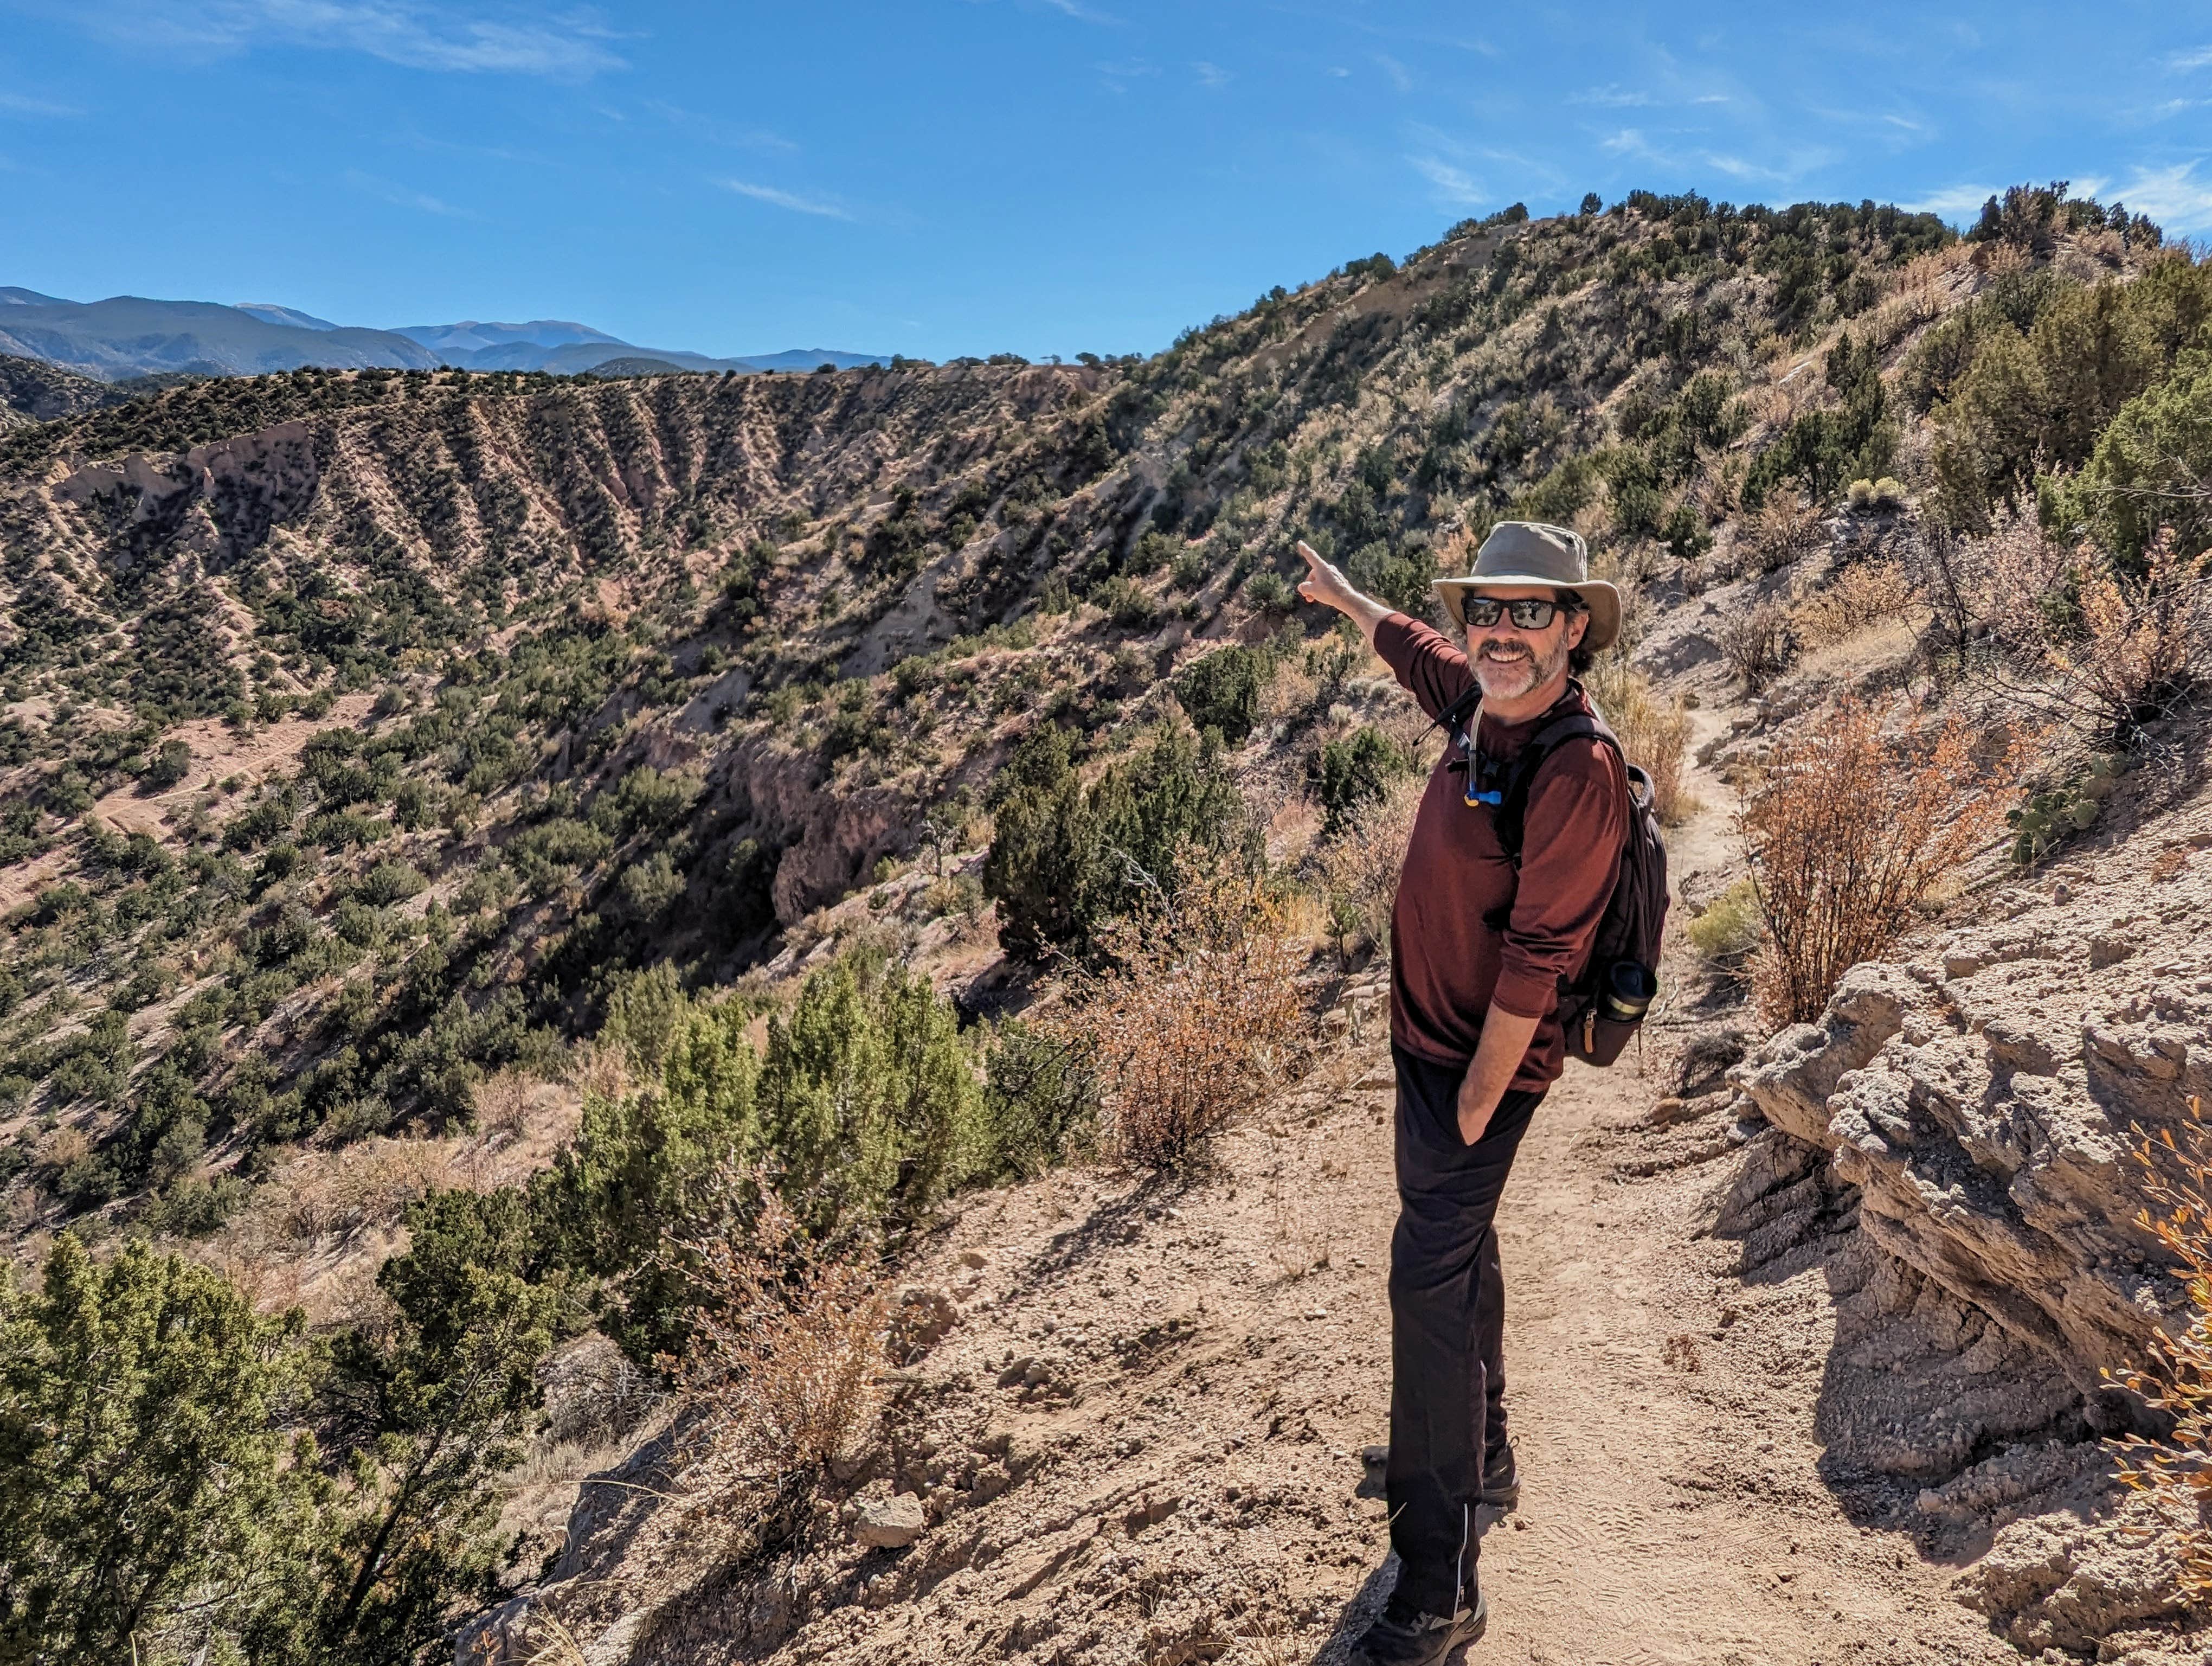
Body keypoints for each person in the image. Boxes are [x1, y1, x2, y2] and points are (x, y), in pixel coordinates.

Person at [1296, 522, 1630, 1664]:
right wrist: (1346, 599)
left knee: (1425, 1285)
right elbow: (1414, 653)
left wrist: (1480, 1104)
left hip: (1479, 1076)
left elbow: (1541, 959)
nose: (1499, 629)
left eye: (1529, 610)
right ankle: (1482, 1456)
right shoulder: (1484, 708)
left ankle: (1439, 1588)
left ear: (1574, 628)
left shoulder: (1574, 768)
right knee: (1458, 1255)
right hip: (1428, 1053)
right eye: (1487, 607)